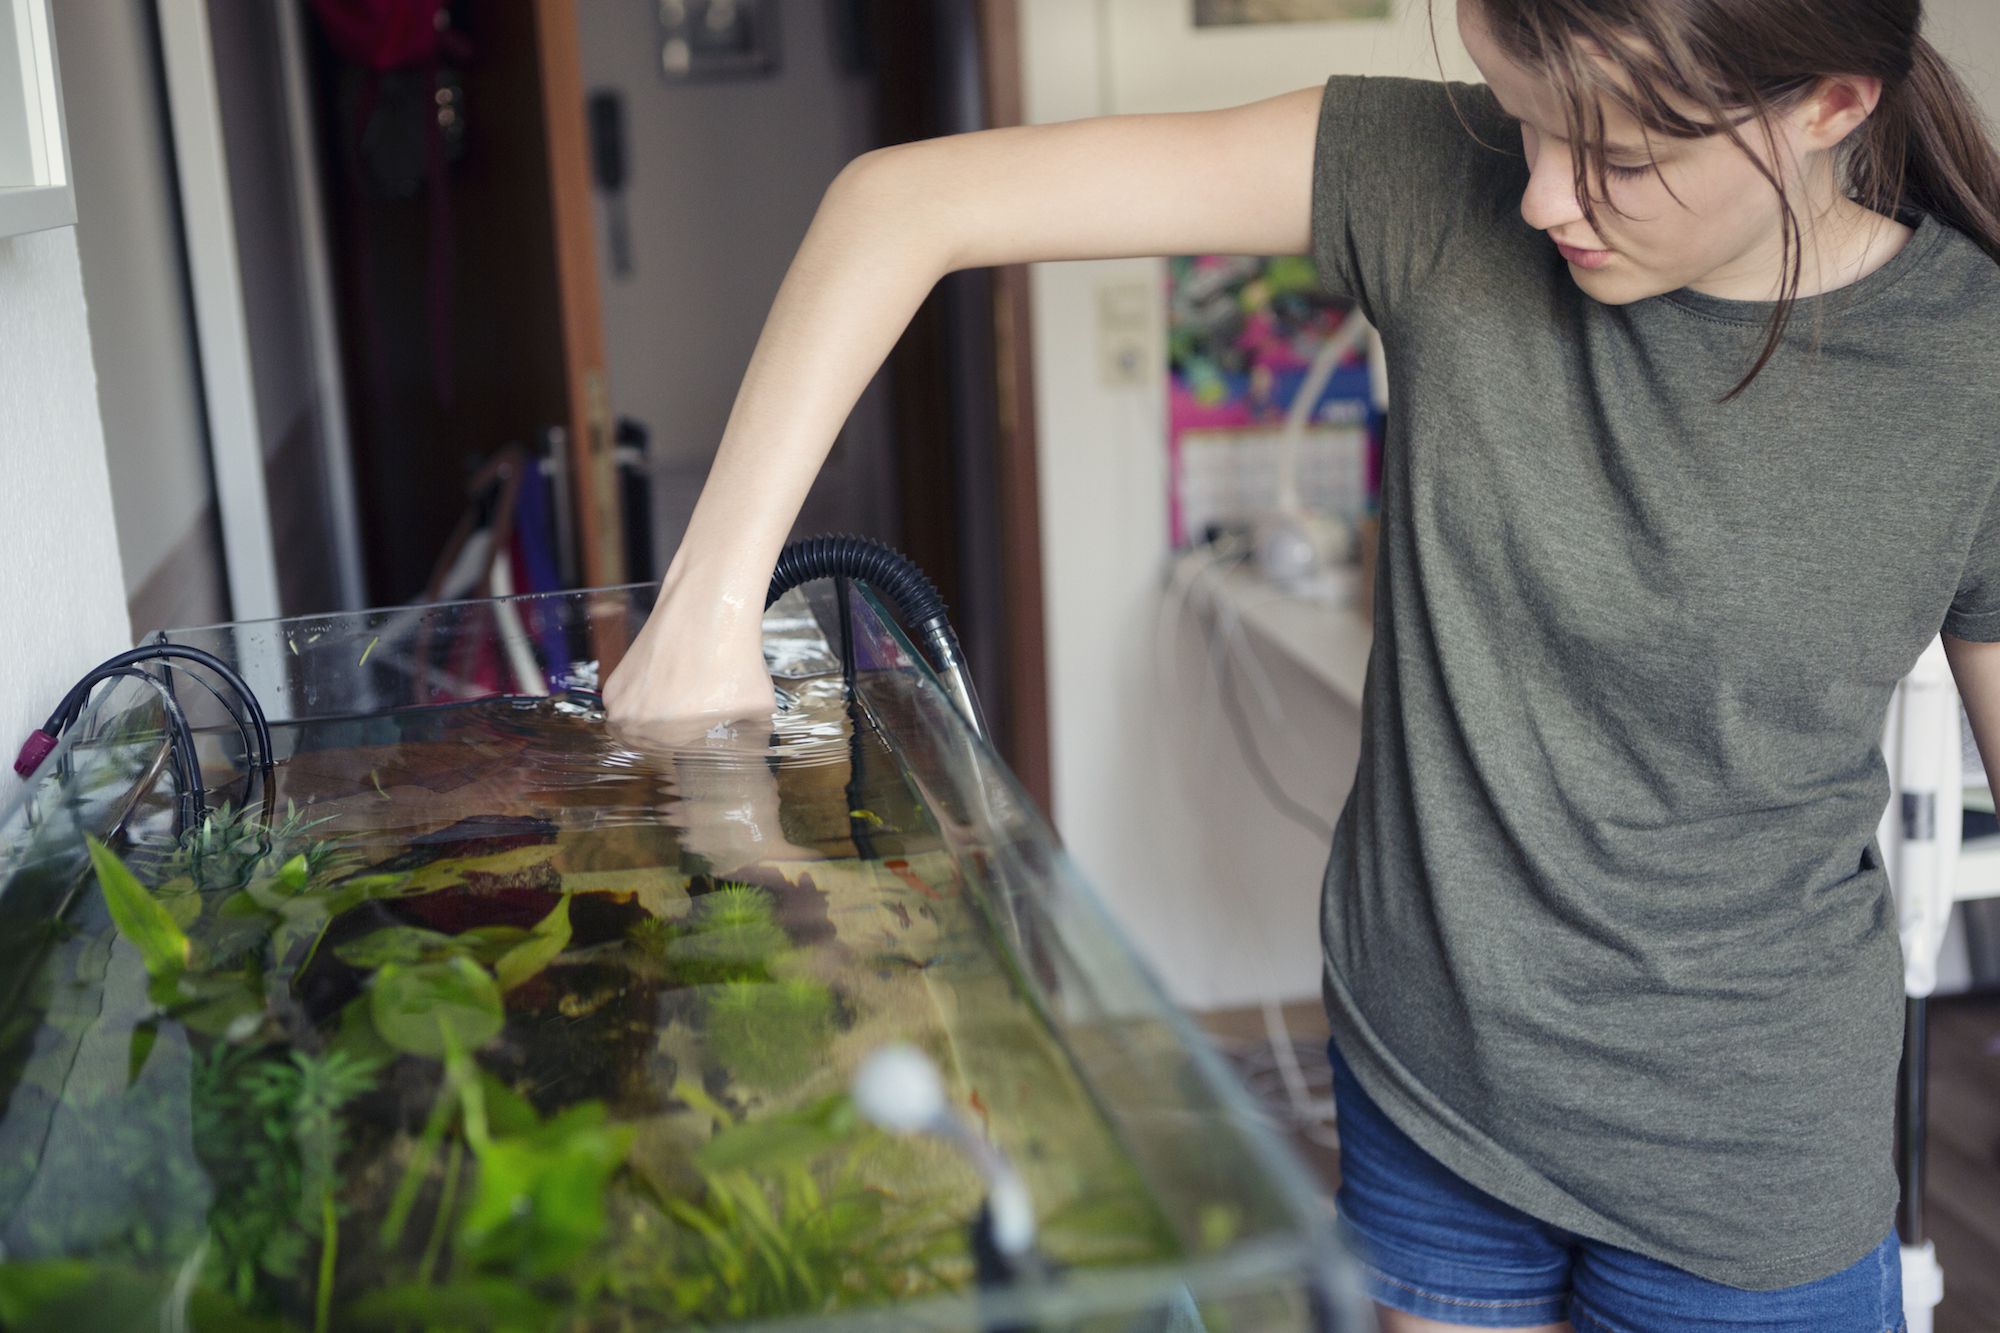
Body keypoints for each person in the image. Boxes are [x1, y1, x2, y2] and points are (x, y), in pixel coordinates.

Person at [606, 1, 2000, 1329]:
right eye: (1525, 121)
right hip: (1430, 1098)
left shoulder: (1971, 372)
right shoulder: (1424, 177)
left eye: (1622, 159)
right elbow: (901, 204)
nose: (1540, 197)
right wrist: (709, 608)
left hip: (1747, 1169)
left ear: (1830, 106)